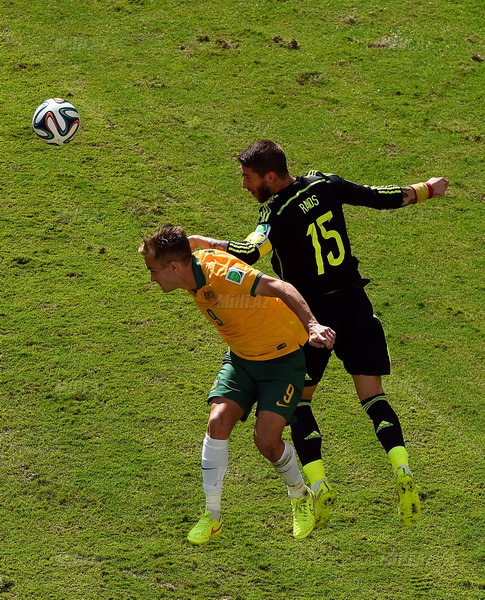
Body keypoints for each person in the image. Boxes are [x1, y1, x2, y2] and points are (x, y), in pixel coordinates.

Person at [188, 140, 449, 528]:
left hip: (311, 319)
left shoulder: (274, 213)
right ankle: (402, 469)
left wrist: (207, 244)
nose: (244, 185)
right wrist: (427, 188)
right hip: (355, 305)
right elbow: (379, 197)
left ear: (271, 177)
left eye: (248, 177)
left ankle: (319, 485)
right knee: (373, 396)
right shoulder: (324, 184)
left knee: (299, 404)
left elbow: (247, 252)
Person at [139, 225, 336, 544]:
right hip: (242, 359)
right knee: (216, 423)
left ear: (174, 267)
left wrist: (312, 325)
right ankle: (212, 516)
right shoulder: (188, 265)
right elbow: (192, 241)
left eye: (153, 270)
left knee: (267, 442)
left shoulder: (223, 274)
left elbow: (280, 286)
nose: (151, 278)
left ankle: (300, 496)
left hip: (281, 360)